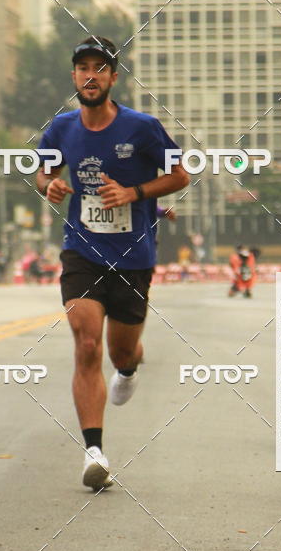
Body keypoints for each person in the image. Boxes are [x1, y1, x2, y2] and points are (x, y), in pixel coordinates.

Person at [36, 35, 189, 490]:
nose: (90, 75)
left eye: (99, 68)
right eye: (82, 67)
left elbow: (181, 174)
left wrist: (135, 193)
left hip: (133, 257)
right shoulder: (60, 129)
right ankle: (95, 452)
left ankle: (128, 367)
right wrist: (49, 186)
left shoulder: (142, 127)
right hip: (82, 252)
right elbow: (44, 170)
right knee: (86, 345)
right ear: (74, 77)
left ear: (113, 77)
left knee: (122, 350)